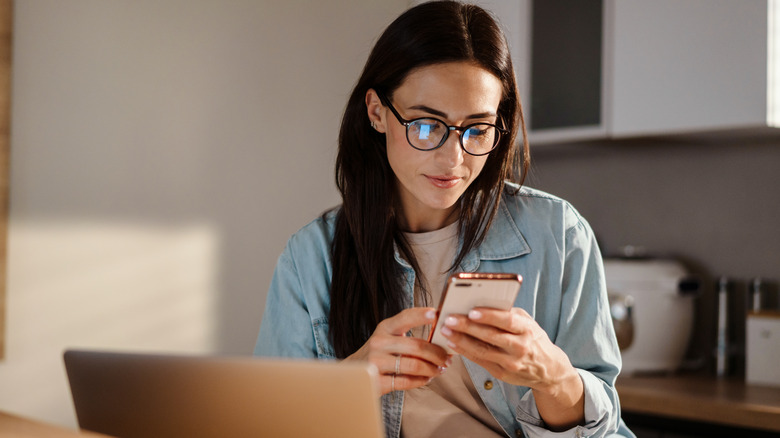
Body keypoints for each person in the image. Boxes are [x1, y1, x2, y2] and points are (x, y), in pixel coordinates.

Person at [255, 2, 635, 437]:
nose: (453, 159)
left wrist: (553, 377)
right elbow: (267, 422)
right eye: (425, 125)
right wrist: (351, 378)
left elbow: (606, 431)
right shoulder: (310, 259)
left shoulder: (560, 236)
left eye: (477, 129)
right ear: (377, 112)